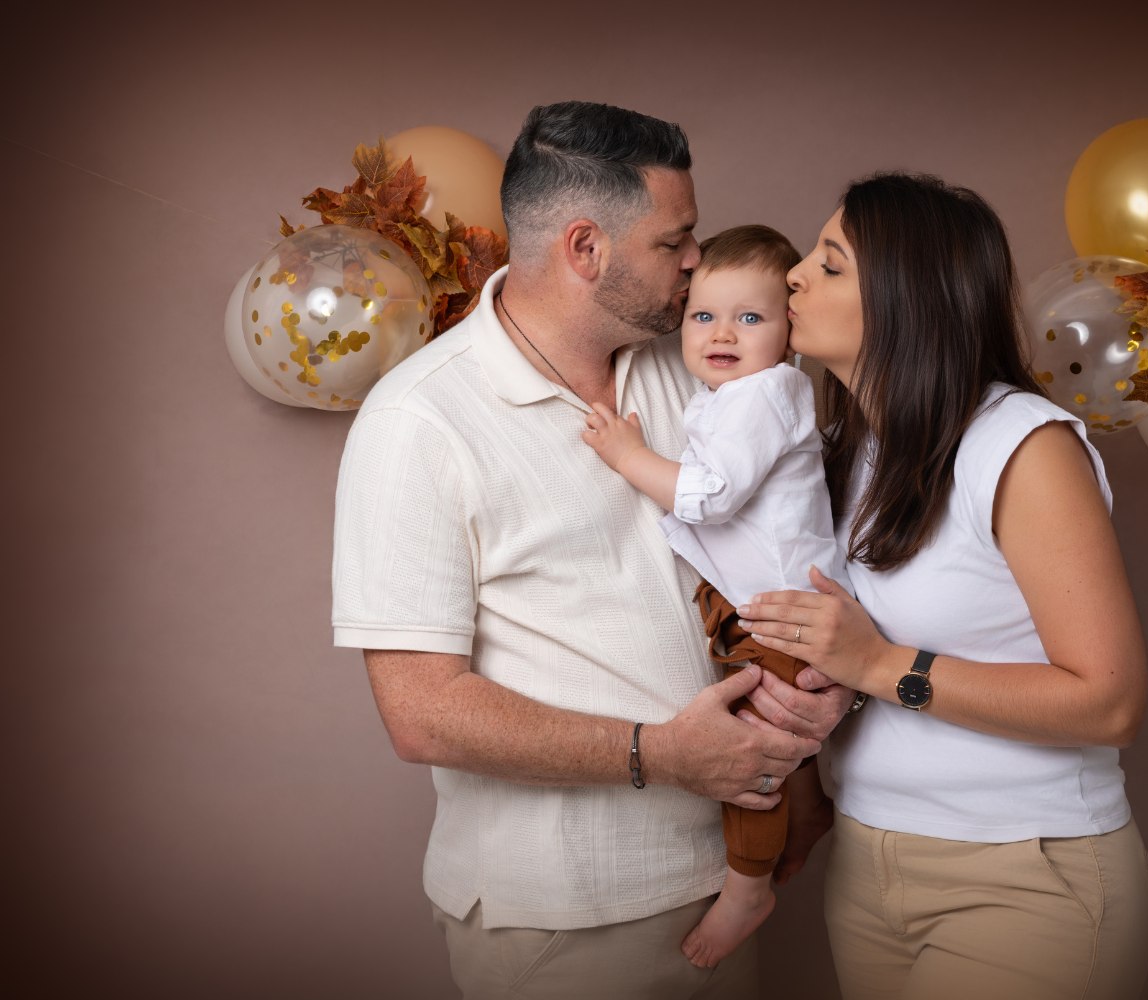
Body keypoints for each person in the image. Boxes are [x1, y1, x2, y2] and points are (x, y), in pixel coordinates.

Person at [329, 101, 847, 1000]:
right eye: (674, 241)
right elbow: (422, 712)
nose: (697, 261)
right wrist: (658, 752)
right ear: (585, 250)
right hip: (564, 918)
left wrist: (801, 752)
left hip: (722, 875)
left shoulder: (700, 365)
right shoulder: (420, 422)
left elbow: (761, 555)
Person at [735, 172, 1148, 999]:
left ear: (905, 298)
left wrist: (878, 665)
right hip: (868, 865)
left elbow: (1111, 703)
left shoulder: (1021, 448)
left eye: (830, 263)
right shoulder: (847, 451)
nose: (793, 277)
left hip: (1024, 877)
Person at [581, 224, 852, 970]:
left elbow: (707, 497)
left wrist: (629, 456)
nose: (722, 333)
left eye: (750, 318)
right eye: (703, 316)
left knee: (749, 757)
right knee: (777, 742)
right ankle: (810, 805)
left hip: (786, 613)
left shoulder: (767, 393)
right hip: (758, 607)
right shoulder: (727, 398)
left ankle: (746, 887)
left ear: (789, 335)